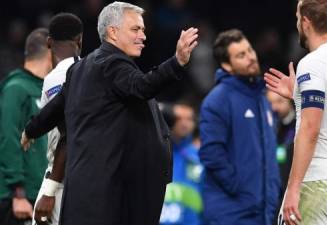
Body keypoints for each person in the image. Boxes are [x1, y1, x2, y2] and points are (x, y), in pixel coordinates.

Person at [21, 2, 198, 225]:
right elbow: (143, 86)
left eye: (143, 29)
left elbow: (57, 108)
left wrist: (31, 130)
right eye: (135, 29)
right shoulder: (112, 63)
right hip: (112, 194)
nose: (143, 36)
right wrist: (177, 62)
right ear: (113, 32)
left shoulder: (82, 68)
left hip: (94, 190)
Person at [264, 0, 327, 224]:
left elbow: (311, 129)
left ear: (306, 21)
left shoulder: (313, 63)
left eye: (297, 18)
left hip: (317, 181)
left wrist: (293, 188)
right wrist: (299, 95)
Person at [199, 29, 281, 225]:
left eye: (250, 50)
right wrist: (241, 188)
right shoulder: (217, 100)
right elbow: (211, 153)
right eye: (241, 55)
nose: (251, 58)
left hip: (263, 212)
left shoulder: (261, 98)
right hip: (232, 213)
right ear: (227, 65)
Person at [26, 13, 83, 225]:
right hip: (89, 175)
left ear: (49, 42)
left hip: (59, 179)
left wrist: (50, 189)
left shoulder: (54, 79)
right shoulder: (92, 73)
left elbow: (67, 133)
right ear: (80, 40)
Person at [0, 28, 52, 225]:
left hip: (40, 193)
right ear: (50, 52)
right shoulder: (16, 89)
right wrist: (18, 193)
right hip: (19, 197)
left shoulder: (46, 90)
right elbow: (8, 139)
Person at [160, 103, 203, 225]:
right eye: (178, 118)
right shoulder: (157, 154)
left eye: (189, 119)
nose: (184, 123)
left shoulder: (201, 157)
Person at [267, 90, 296, 190]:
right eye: (270, 102)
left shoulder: (300, 124)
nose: (274, 107)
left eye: (279, 101)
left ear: (290, 100)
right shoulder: (269, 126)